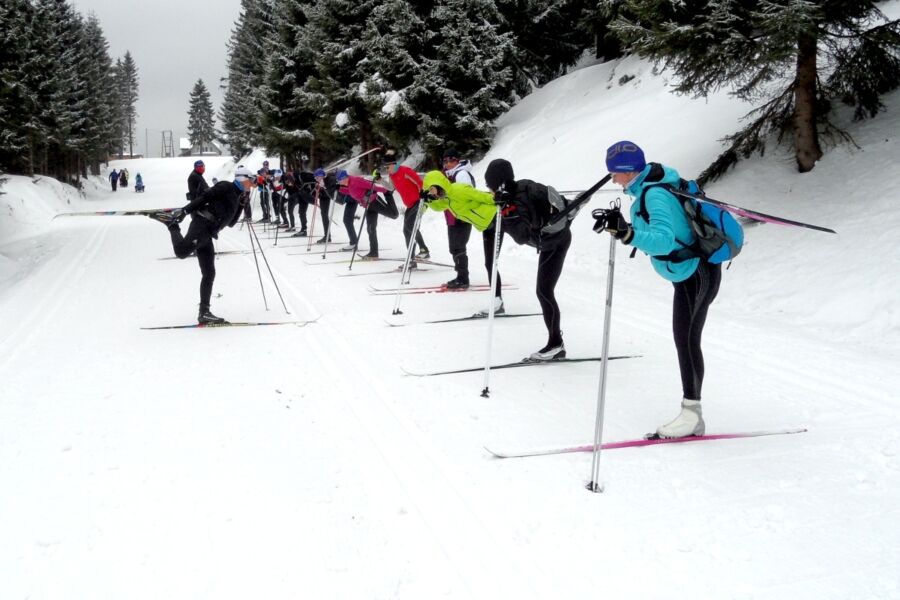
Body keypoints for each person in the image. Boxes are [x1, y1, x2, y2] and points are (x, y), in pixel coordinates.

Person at [596, 140, 722, 438]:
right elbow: (662, 232)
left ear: (628, 171)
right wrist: (624, 226)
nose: (613, 179)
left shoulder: (654, 195)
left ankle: (692, 415)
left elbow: (664, 240)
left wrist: (627, 233)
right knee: (684, 339)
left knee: (688, 340)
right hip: (687, 273)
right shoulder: (648, 188)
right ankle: (693, 415)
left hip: (696, 271)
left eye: (615, 173)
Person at [484, 158, 573, 360]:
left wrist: (507, 213)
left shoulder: (515, 201)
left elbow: (522, 236)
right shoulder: (523, 185)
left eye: (490, 185)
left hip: (554, 243)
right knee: (545, 291)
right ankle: (555, 344)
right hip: (557, 238)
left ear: (497, 183)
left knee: (544, 291)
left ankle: (555, 345)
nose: (489, 190)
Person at [147, 166, 254, 324]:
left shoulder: (238, 196)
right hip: (202, 225)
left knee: (209, 273)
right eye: (250, 181)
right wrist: (184, 212)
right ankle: (172, 225)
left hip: (208, 234)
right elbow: (204, 197)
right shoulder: (226, 186)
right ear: (242, 178)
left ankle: (204, 312)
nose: (251, 185)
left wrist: (242, 204)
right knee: (182, 252)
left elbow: (231, 223)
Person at [422, 170, 503, 314]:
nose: (432, 192)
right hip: (487, 227)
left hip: (497, 218)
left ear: (438, 184)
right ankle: (498, 302)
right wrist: (429, 200)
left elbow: (481, 196)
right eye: (429, 191)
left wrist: (498, 199)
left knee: (524, 238)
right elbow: (439, 206)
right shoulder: (446, 199)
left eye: (432, 189)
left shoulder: (459, 190)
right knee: (490, 263)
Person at [381, 148, 430, 269]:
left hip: (418, 201)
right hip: (409, 205)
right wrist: (380, 180)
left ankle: (421, 253)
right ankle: (414, 258)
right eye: (385, 168)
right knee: (407, 230)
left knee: (410, 227)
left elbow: (420, 183)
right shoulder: (392, 175)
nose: (386, 170)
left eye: (387, 167)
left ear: (393, 164)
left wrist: (424, 200)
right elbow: (390, 188)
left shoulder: (405, 171)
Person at [336, 169, 398, 258]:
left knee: (394, 215)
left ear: (345, 177)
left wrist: (386, 191)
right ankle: (374, 253)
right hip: (368, 206)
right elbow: (351, 191)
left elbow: (371, 186)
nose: (340, 182)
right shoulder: (348, 183)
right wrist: (340, 189)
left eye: (341, 180)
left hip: (374, 201)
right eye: (339, 181)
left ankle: (389, 195)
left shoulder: (355, 180)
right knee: (370, 229)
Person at [442, 148, 475, 289]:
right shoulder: (449, 174)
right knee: (454, 248)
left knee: (458, 247)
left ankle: (463, 279)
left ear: (457, 160)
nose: (448, 163)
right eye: (445, 160)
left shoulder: (461, 174)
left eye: (452, 160)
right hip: (452, 216)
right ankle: (460, 276)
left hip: (461, 216)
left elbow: (466, 194)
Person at [312, 168, 333, 244]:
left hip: (326, 199)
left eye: (317, 177)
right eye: (315, 178)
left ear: (321, 176)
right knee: (324, 216)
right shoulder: (319, 182)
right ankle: (327, 235)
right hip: (322, 199)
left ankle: (327, 236)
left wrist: (323, 187)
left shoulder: (327, 180)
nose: (316, 179)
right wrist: (316, 189)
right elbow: (317, 193)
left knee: (324, 216)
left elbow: (329, 192)